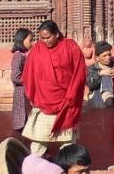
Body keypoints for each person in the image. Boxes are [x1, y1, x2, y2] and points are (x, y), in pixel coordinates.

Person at [23, 20, 88, 157]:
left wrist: (72, 96)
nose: (44, 41)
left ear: (57, 34)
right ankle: (33, 168)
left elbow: (79, 73)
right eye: (42, 38)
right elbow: (29, 73)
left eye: (48, 37)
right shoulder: (37, 49)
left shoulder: (70, 47)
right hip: (43, 103)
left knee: (68, 145)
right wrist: (33, 95)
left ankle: (68, 168)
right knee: (38, 144)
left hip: (66, 104)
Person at [12, 28, 34, 138]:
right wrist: (29, 80)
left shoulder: (26, 54)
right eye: (30, 40)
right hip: (21, 93)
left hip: (27, 92)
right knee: (22, 122)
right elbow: (15, 77)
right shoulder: (18, 55)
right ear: (22, 40)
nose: (32, 43)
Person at [85, 42, 114, 110]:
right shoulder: (91, 68)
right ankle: (108, 97)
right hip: (98, 102)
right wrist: (100, 73)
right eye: (104, 56)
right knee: (105, 75)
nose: (108, 57)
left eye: (109, 55)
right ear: (97, 58)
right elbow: (90, 84)